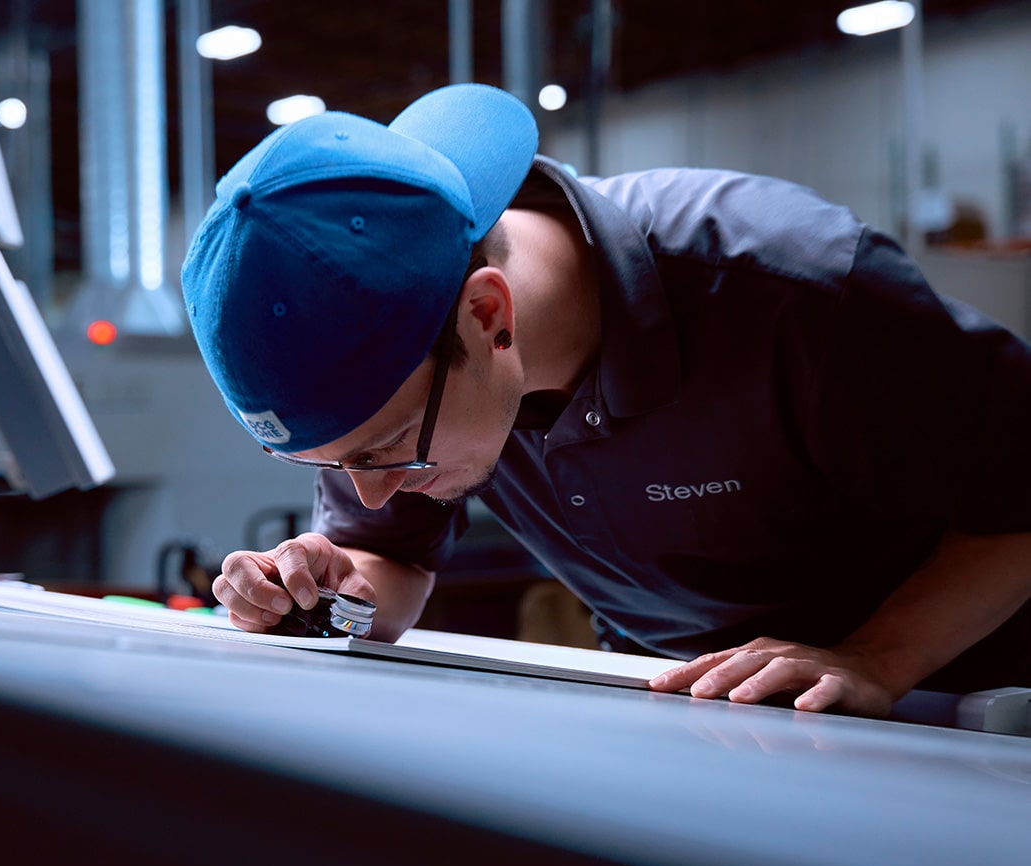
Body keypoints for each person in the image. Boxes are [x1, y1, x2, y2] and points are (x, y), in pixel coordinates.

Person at [181, 83, 1031, 717]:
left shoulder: (794, 291)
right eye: (334, 462)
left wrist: (875, 657)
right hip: (695, 706)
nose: (367, 490)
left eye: (385, 448)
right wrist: (326, 593)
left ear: (487, 316)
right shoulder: (395, 366)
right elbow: (388, 561)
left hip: (962, 702)